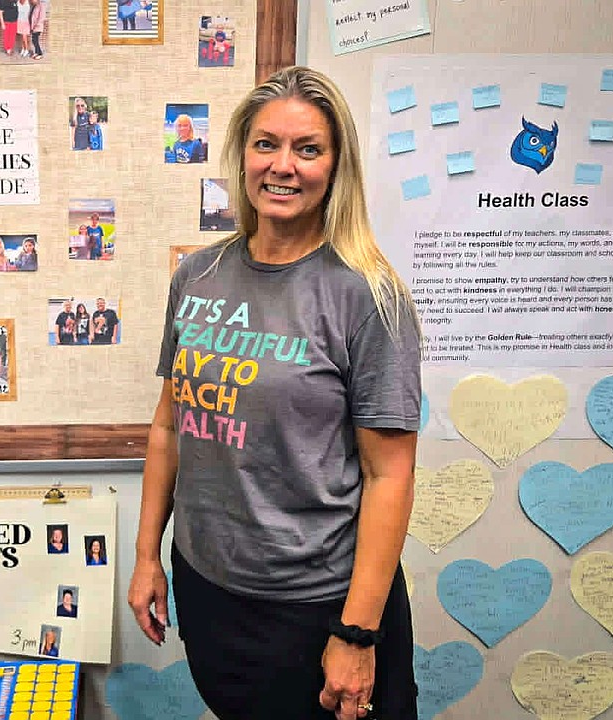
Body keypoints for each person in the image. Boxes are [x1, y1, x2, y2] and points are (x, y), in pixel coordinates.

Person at [126, 66, 422, 720]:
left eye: (307, 149)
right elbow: (169, 428)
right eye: (266, 144)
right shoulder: (198, 275)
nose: (283, 166)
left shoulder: (367, 295)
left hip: (319, 606)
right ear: (242, 155)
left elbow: (390, 474)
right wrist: (147, 556)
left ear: (335, 166)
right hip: (210, 589)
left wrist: (357, 634)